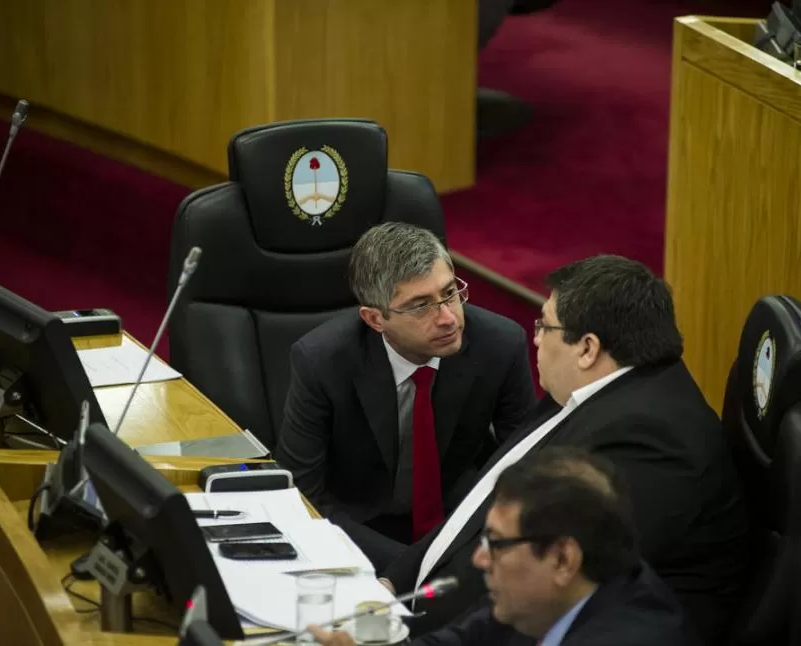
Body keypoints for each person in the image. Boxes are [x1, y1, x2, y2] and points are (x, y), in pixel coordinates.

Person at [380, 254, 750, 645]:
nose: (535, 337)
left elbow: (544, 590)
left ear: (587, 348)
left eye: (544, 326)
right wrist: (392, 582)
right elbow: (476, 507)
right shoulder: (588, 391)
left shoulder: (653, 441)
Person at [275, 223, 536, 571]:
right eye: (420, 306)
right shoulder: (322, 361)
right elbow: (301, 493)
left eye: (449, 293)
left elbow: (525, 465)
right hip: (360, 531)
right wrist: (407, 566)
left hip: (457, 524)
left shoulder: (500, 344)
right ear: (375, 319)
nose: (447, 318)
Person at [308, 448, 690, 646]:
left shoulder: (631, 636)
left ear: (563, 559)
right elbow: (458, 642)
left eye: (496, 543)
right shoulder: (535, 602)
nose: (479, 558)